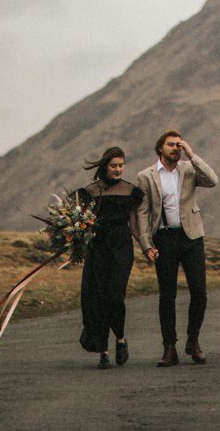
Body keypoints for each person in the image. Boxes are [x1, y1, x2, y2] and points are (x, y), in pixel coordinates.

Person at [134, 130, 219, 366]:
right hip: (164, 238)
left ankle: (193, 341)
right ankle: (169, 347)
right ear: (160, 148)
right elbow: (142, 212)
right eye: (171, 144)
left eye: (179, 145)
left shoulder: (189, 169)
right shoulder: (146, 176)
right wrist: (145, 244)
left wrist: (192, 155)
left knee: (199, 292)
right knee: (167, 296)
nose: (176, 148)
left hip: (191, 237)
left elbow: (213, 180)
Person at [75, 146, 143, 369]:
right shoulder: (91, 191)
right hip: (98, 249)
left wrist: (146, 246)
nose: (118, 169)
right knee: (99, 300)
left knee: (115, 297)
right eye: (114, 165)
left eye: (121, 165)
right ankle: (103, 351)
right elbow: (81, 221)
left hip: (121, 247)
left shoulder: (131, 191)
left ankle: (121, 339)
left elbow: (134, 224)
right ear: (105, 166)